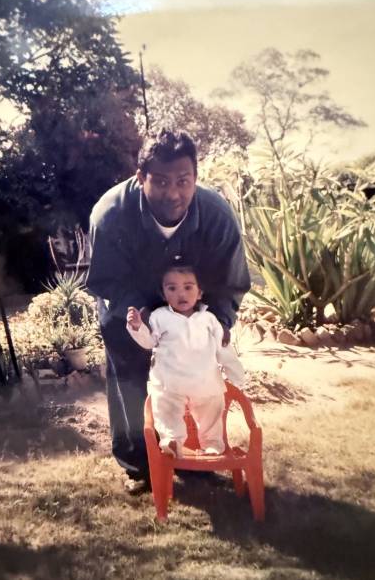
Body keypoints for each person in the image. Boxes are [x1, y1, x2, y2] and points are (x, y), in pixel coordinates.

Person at [86, 128, 250, 494]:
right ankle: (138, 466)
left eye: (183, 181)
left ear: (195, 177)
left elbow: (231, 281)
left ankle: (194, 457)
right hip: (127, 307)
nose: (173, 193)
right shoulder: (110, 213)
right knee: (131, 378)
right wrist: (144, 319)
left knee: (194, 375)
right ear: (140, 177)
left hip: (192, 304)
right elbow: (106, 280)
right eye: (160, 181)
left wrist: (218, 324)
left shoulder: (218, 216)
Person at [126, 263, 245, 459]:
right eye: (172, 288)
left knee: (212, 408)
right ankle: (171, 441)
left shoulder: (209, 319)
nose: (181, 294)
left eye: (188, 287)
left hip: (204, 380)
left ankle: (212, 444)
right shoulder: (159, 317)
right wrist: (138, 327)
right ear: (164, 294)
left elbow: (222, 348)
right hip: (170, 381)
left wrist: (236, 375)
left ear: (200, 292)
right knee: (165, 407)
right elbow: (149, 342)